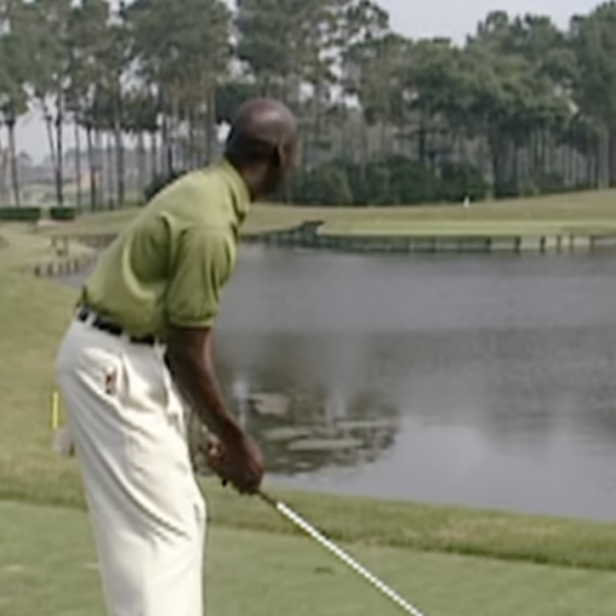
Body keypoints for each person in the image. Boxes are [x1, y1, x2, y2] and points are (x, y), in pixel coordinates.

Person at [55, 97, 297, 616]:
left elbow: (173, 347)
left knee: (179, 516)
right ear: (280, 155)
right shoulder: (211, 226)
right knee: (161, 533)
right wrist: (236, 442)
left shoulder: (204, 190)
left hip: (121, 359)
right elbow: (188, 352)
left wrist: (206, 423)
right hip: (112, 365)